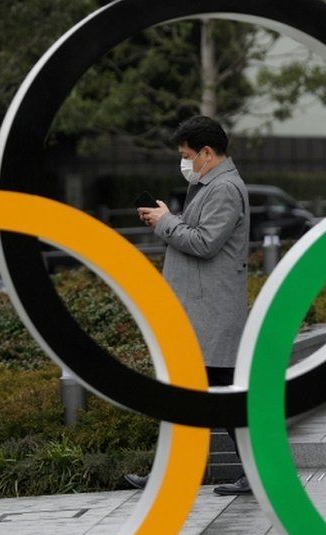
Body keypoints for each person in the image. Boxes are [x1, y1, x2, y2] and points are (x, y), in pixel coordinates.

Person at [129, 115, 251, 496]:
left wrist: (166, 222)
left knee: (219, 398)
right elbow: (199, 233)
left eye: (186, 155)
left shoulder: (225, 188)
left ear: (207, 153)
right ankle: (178, 473)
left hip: (210, 314)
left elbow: (204, 243)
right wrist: (170, 218)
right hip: (203, 313)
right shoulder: (210, 185)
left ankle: (252, 471)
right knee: (197, 397)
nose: (183, 162)